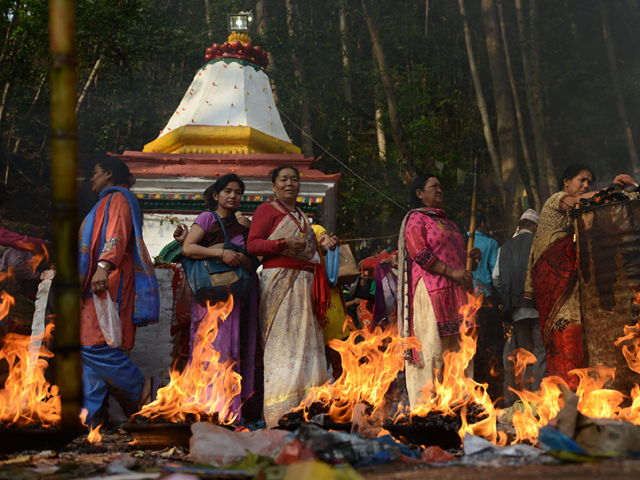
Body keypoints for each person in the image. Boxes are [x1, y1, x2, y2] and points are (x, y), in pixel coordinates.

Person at [524, 164, 634, 388]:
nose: (585, 185)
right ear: (566, 182)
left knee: (575, 334)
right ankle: (564, 390)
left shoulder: (579, 217)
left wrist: (626, 193)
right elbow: (581, 202)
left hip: (567, 285)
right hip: (552, 283)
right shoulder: (557, 199)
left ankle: (577, 388)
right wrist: (612, 188)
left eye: (589, 182)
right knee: (562, 334)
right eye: (581, 180)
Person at [247, 165, 337, 428]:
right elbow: (252, 245)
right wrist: (282, 244)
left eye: (294, 179)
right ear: (273, 186)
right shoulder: (266, 210)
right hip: (279, 284)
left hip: (305, 286)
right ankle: (279, 415)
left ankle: (308, 410)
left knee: (308, 346)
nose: (290, 183)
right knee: (282, 347)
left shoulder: (302, 215)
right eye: (283, 179)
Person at [78, 156, 160, 425]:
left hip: (110, 280)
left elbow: (117, 233)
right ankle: (90, 421)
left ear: (109, 174)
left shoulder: (119, 198)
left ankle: (142, 386)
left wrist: (104, 265)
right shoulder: (108, 199)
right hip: (100, 280)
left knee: (90, 344)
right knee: (91, 355)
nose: (92, 177)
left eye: (95, 171)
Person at [178, 174, 259, 419]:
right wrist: (221, 253)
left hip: (237, 297)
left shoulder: (245, 226)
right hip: (210, 297)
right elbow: (188, 248)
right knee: (208, 347)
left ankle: (229, 410)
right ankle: (204, 407)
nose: (233, 196)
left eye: (237, 192)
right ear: (216, 195)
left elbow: (253, 259)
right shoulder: (207, 218)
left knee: (233, 350)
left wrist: (243, 258)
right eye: (227, 191)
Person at [397, 173, 481, 407]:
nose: (440, 190)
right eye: (434, 186)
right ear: (419, 194)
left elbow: (458, 257)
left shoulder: (451, 224)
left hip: (458, 294)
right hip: (432, 291)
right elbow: (420, 253)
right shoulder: (416, 219)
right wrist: (451, 272)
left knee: (459, 352)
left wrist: (471, 256)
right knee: (431, 351)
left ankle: (457, 408)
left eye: (441, 186)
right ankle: (425, 410)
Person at [493, 209, 546, 394]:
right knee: (540, 351)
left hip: (515, 310)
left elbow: (496, 278)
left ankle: (526, 396)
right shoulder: (539, 242)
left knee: (524, 353)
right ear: (534, 226)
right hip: (538, 307)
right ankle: (539, 394)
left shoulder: (504, 248)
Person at [464, 210, 503, 403]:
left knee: (472, 353)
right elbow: (497, 276)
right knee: (493, 352)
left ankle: (476, 398)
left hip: (465, 307)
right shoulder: (490, 243)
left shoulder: (459, 243)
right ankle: (495, 399)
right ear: (482, 224)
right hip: (486, 303)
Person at [312, 223, 349, 380]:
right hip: (300, 297)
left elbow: (325, 241)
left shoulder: (315, 230)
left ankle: (343, 392)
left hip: (326, 296)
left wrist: (329, 246)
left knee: (337, 350)